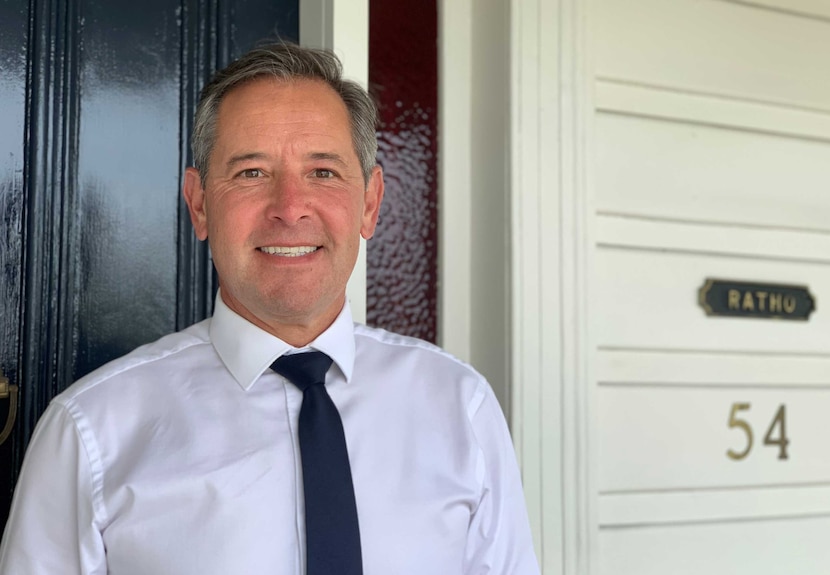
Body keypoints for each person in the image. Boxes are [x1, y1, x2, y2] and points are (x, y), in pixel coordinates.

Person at [0, 41, 539, 574]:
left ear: (370, 204)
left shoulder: (460, 407)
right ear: (200, 204)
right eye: (251, 173)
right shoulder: (90, 432)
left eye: (323, 172)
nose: (289, 209)